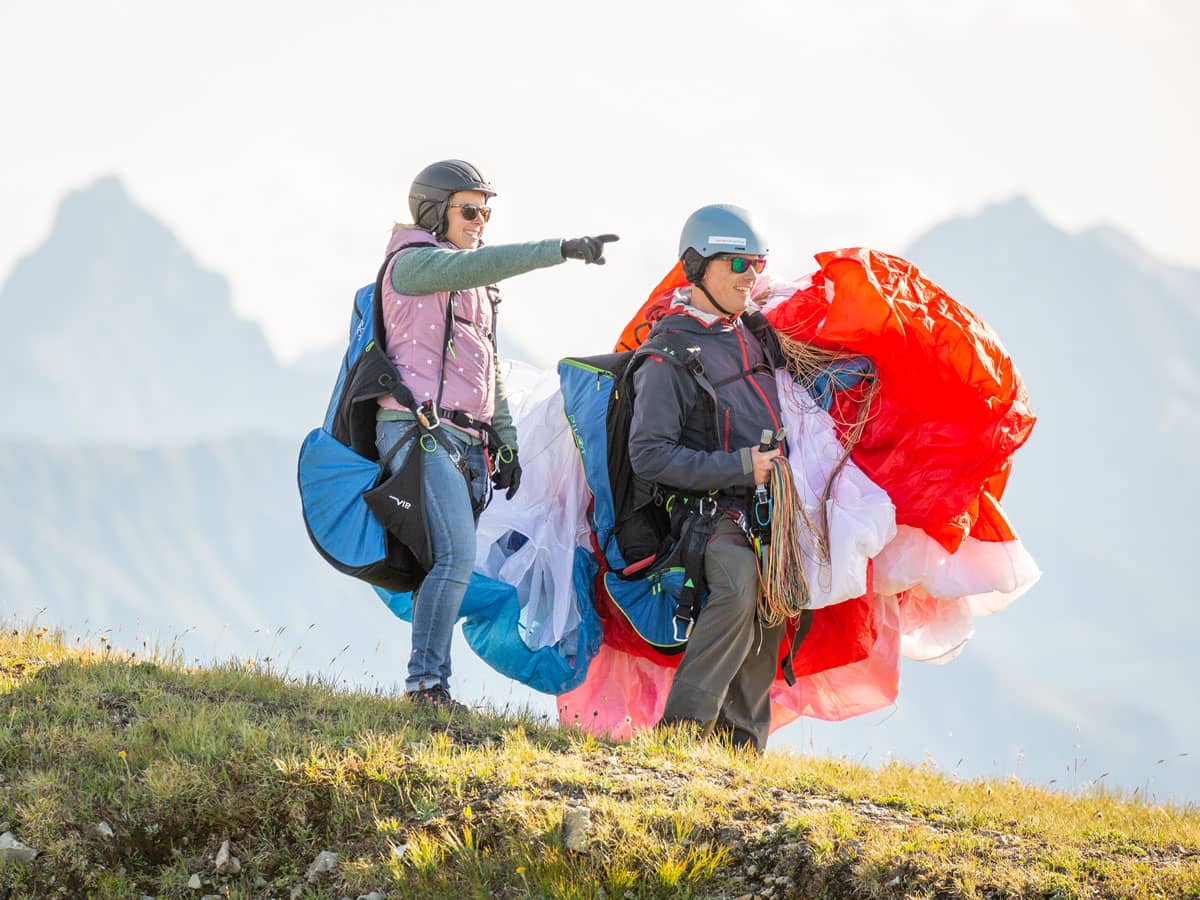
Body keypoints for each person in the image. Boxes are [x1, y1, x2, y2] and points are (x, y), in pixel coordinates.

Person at [378, 158, 616, 708]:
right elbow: (480, 264)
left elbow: (489, 371)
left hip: (467, 441)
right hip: (417, 434)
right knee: (456, 556)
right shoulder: (411, 266)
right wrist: (561, 249)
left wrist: (504, 440)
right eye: (469, 210)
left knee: (455, 559)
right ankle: (426, 685)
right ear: (434, 211)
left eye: (486, 211)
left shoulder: (475, 288)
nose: (480, 220)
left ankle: (431, 681)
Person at [627, 203, 785, 752]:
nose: (752, 276)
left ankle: (739, 752)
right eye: (739, 263)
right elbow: (648, 456)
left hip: (767, 508)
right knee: (739, 583)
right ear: (698, 266)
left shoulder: (753, 335)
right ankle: (680, 736)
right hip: (701, 516)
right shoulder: (667, 355)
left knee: (775, 595)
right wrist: (742, 466)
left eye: (758, 263)